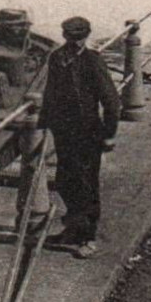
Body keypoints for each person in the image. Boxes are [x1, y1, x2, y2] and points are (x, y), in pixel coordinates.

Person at [38, 15, 122, 260]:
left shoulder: (92, 62)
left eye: (78, 38)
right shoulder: (57, 59)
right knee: (65, 181)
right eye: (70, 38)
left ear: (86, 37)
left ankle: (88, 237)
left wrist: (109, 134)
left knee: (86, 184)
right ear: (64, 37)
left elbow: (112, 102)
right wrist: (43, 124)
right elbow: (50, 94)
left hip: (88, 133)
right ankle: (73, 228)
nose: (74, 43)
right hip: (63, 132)